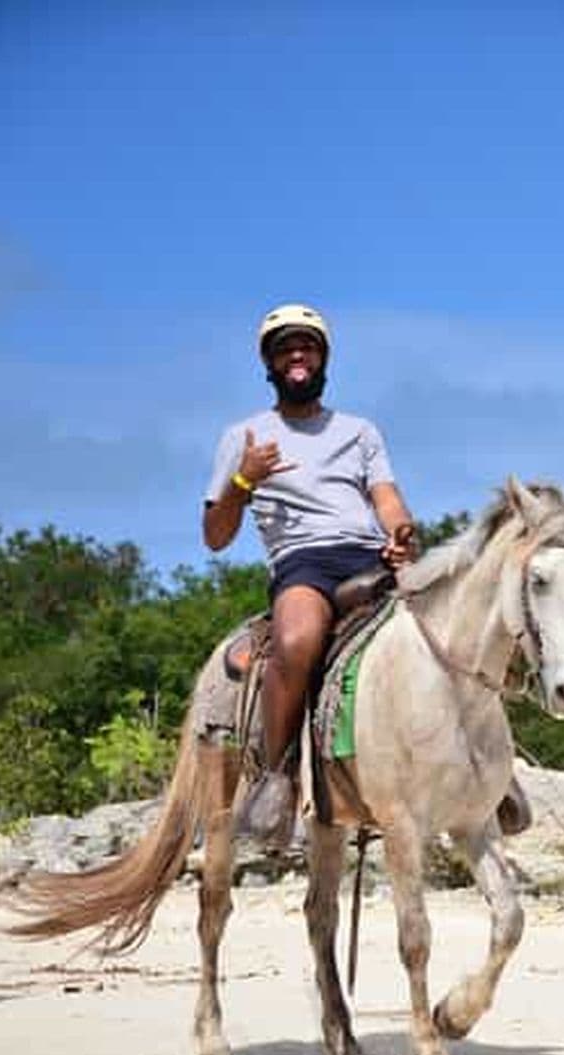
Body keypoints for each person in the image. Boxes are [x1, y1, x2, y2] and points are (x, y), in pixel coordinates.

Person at [203, 303, 415, 844]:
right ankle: (275, 779)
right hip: (305, 561)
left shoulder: (359, 431)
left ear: (323, 358)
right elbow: (215, 534)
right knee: (296, 641)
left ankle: (490, 770)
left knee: (457, 622)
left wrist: (400, 531)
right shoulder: (244, 436)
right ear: (268, 364)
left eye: (307, 346)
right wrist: (244, 481)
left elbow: (385, 497)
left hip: (369, 553)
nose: (297, 355)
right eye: (284, 348)